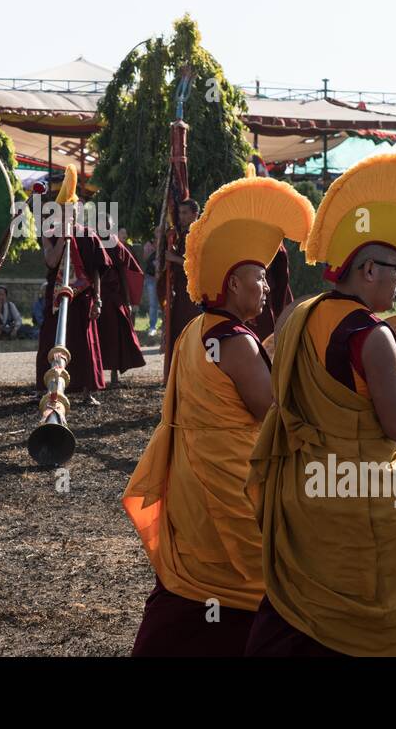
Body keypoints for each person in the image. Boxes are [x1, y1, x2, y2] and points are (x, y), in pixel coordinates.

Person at [245, 153, 396, 657]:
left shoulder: (300, 314)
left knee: (301, 609)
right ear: (368, 268)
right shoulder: (372, 337)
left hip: (305, 491)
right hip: (361, 503)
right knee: (387, 621)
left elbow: (276, 381)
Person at [124, 176, 313, 656]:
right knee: (250, 583)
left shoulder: (196, 330)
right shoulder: (237, 341)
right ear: (233, 282)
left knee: (193, 586)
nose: (267, 288)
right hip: (230, 483)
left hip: (193, 479)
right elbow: (270, 412)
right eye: (259, 278)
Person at [36, 167, 109, 407]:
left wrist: (97, 300)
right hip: (57, 297)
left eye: (73, 210)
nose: (71, 214)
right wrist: (65, 239)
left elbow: (96, 271)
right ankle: (46, 388)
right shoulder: (50, 233)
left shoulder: (89, 235)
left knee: (84, 344)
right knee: (51, 339)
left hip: (83, 297)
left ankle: (87, 391)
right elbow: (50, 261)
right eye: (66, 211)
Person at [97, 226, 146, 383]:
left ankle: (114, 373)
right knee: (97, 337)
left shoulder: (116, 245)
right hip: (97, 297)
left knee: (115, 336)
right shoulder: (93, 242)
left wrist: (127, 300)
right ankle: (95, 376)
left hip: (113, 298)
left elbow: (124, 274)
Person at [161, 198, 204, 377]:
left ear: (195, 214)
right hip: (180, 289)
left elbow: (198, 263)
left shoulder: (197, 234)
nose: (181, 217)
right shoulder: (183, 234)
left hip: (193, 291)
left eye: (185, 213)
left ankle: (193, 370)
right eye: (180, 213)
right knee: (179, 329)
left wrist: (173, 259)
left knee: (190, 329)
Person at [245, 245, 294, 343]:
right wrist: (279, 310)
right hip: (263, 305)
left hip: (252, 301)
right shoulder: (269, 237)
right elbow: (282, 271)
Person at [141, 240, 161, 337]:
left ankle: (164, 326)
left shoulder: (166, 245)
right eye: (156, 231)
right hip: (151, 278)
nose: (158, 232)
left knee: (165, 303)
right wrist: (151, 250)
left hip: (162, 278)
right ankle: (152, 326)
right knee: (153, 304)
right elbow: (145, 259)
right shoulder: (149, 245)